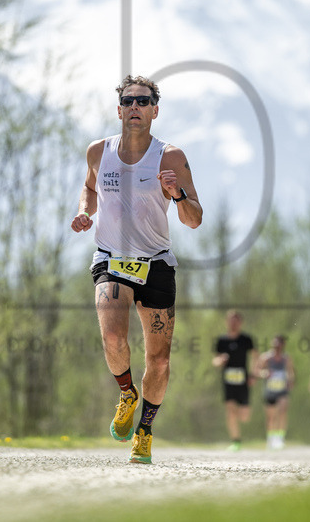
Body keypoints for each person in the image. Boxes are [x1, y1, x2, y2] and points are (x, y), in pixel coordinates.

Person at [70, 75, 203, 464]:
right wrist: (83, 212)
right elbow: (89, 188)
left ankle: (144, 430)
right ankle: (126, 393)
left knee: (159, 360)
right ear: (118, 109)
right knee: (113, 337)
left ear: (155, 111)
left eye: (143, 101)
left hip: (157, 263)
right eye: (128, 101)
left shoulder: (171, 157)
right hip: (110, 257)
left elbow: (194, 219)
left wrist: (176, 193)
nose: (135, 107)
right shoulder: (99, 151)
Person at [212, 310, 257, 451]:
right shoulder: (222, 340)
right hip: (228, 381)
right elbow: (215, 361)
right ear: (227, 322)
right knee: (230, 411)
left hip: (243, 381)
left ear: (240, 322)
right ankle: (236, 441)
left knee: (244, 416)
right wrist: (221, 360)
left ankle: (241, 432)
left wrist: (253, 375)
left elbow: (256, 357)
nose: (233, 323)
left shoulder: (246, 339)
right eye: (230, 320)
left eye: (236, 320)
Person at [255, 335, 295, 449]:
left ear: (283, 345)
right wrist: (264, 373)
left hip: (282, 389)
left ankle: (280, 437)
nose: (276, 347)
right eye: (274, 344)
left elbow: (290, 371)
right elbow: (257, 371)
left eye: (279, 344)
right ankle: (271, 437)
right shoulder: (266, 358)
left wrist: (291, 380)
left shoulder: (286, 358)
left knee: (282, 411)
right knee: (271, 416)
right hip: (270, 390)